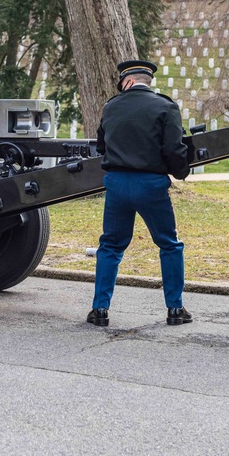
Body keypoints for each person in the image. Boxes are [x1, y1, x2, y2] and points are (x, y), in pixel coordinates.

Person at [88, 59, 191, 327]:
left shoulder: (111, 106)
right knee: (169, 244)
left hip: (117, 183)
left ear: (128, 81)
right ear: (147, 81)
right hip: (151, 184)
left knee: (110, 246)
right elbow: (174, 149)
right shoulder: (165, 106)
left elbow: (101, 144)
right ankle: (175, 309)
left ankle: (100, 310)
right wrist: (181, 172)